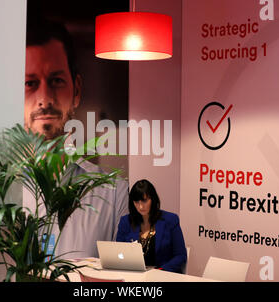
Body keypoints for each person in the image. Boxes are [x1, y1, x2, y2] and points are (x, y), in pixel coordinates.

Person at [24, 17, 128, 258]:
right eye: (30, 83)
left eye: (56, 81)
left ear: (77, 90)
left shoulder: (114, 194)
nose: (45, 98)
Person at [116, 179, 187, 273]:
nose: (141, 206)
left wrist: (159, 271)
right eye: (136, 202)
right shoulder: (126, 221)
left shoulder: (170, 220)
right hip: (134, 275)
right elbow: (118, 253)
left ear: (153, 199)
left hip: (162, 275)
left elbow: (180, 256)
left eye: (144, 201)